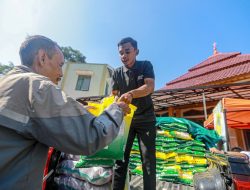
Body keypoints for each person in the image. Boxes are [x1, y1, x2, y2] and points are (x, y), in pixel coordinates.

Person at [0, 35, 130, 189]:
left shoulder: (6, 83)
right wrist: (116, 109)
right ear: (42, 58)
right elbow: (92, 135)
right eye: (60, 65)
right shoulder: (37, 87)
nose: (61, 74)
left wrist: (75, 113)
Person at [111, 37, 156, 190]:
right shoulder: (116, 73)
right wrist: (116, 103)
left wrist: (130, 94)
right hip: (126, 121)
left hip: (146, 119)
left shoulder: (145, 66)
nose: (124, 55)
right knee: (120, 159)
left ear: (136, 51)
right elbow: (114, 96)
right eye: (121, 53)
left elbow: (149, 87)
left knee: (148, 161)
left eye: (127, 51)